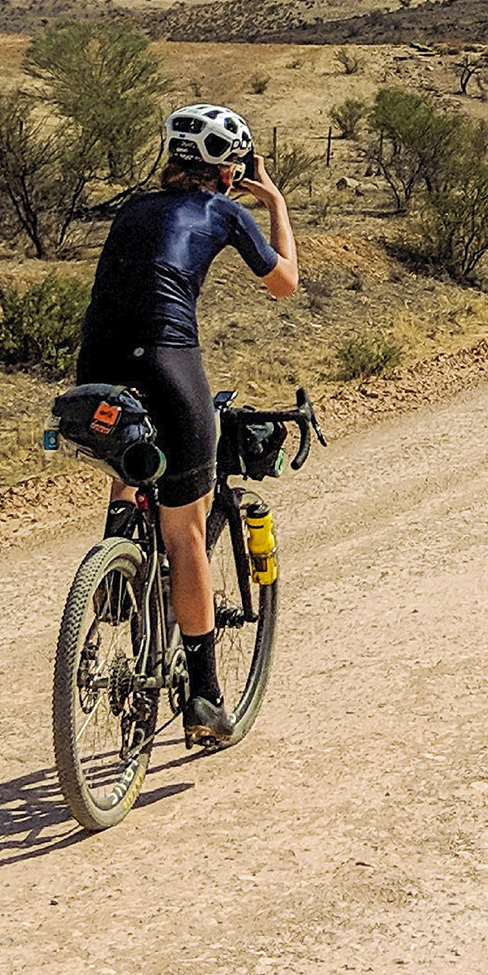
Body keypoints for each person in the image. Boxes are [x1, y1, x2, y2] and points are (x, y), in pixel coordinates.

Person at [75, 102, 298, 747]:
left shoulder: (132, 208)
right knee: (186, 530)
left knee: (132, 451)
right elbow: (284, 283)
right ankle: (203, 694)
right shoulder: (226, 210)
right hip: (168, 363)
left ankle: (119, 549)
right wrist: (275, 204)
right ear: (230, 168)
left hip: (94, 365)